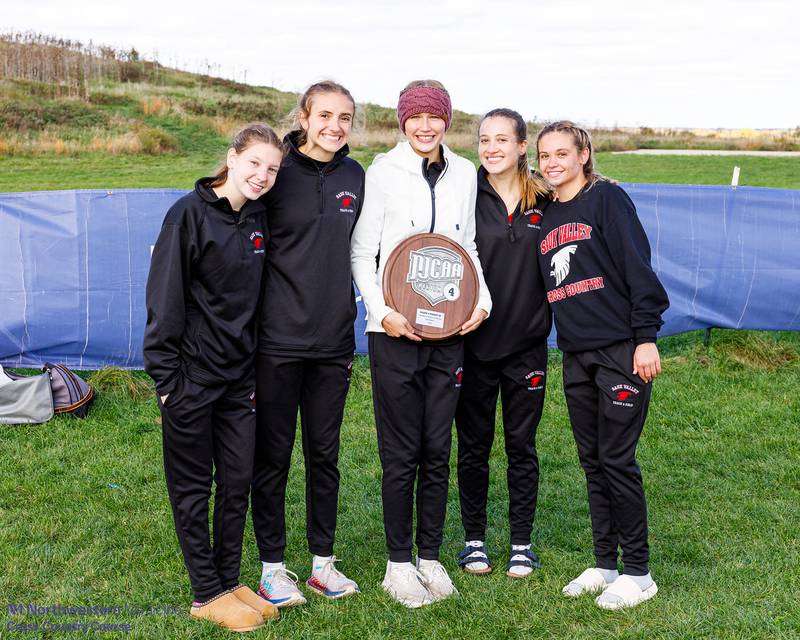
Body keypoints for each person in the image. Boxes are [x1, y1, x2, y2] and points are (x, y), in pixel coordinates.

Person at [350, 79, 492, 608]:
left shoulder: (464, 174)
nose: (425, 126)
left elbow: (466, 246)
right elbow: (363, 254)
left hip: (448, 335)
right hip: (394, 337)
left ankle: (430, 559)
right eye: (416, 117)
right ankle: (398, 564)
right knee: (401, 453)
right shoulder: (382, 172)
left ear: (446, 122)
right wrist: (383, 313)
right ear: (402, 122)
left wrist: (483, 301)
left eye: (435, 117)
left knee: (438, 448)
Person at [144, 123, 283, 632]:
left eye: (272, 169)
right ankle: (205, 592)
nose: (262, 176)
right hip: (189, 379)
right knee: (191, 487)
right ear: (232, 158)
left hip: (237, 378)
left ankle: (228, 580)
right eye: (254, 164)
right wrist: (167, 381)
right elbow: (163, 301)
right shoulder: (186, 215)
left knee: (237, 482)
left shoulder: (259, 218)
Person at [535, 120, 669, 609]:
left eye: (561, 154)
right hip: (576, 352)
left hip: (621, 350)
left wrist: (645, 338)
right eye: (545, 155)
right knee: (593, 462)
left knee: (617, 459)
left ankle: (639, 571)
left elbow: (638, 267)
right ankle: (604, 562)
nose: (552, 163)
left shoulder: (607, 199)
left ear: (583, 153)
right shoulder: (547, 213)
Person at [250, 81, 364, 607]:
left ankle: (322, 564)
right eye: (325, 115)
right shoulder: (277, 170)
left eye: (344, 117)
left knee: (325, 454)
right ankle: (273, 568)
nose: (335, 126)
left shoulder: (354, 175)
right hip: (276, 343)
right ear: (303, 116)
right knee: (272, 456)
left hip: (334, 343)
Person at [454, 108, 551, 579]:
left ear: (520, 147)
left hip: (528, 346)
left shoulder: (546, 201)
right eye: (484, 140)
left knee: (521, 446)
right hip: (472, 344)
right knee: (473, 446)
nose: (491, 148)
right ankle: (473, 539)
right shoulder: (463, 194)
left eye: (501, 140)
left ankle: (521, 543)